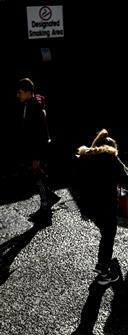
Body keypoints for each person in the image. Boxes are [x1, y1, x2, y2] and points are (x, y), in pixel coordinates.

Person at [76, 129, 128, 286]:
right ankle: (103, 271)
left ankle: (102, 264)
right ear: (112, 150)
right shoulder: (112, 161)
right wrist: (117, 158)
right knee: (108, 236)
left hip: (89, 207)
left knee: (105, 234)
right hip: (106, 205)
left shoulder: (85, 158)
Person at [15, 78, 59, 226]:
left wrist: (36, 157)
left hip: (38, 151)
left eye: (20, 92)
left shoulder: (36, 108)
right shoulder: (30, 104)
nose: (18, 95)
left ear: (28, 92)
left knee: (38, 178)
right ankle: (49, 200)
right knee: (38, 177)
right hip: (34, 150)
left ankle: (45, 213)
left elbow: (40, 134)